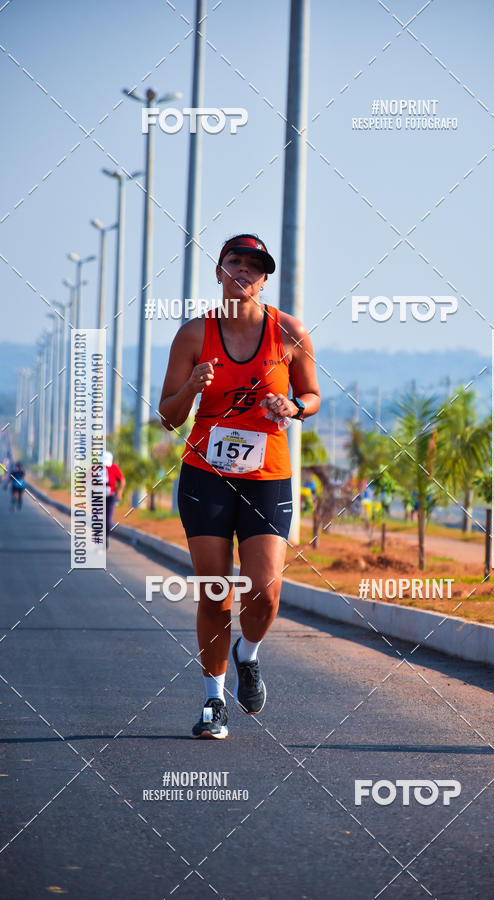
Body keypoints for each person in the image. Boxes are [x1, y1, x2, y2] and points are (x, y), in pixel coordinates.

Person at [159, 233, 321, 739]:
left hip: (267, 478)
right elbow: (168, 416)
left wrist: (294, 407)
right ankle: (214, 700)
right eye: (234, 262)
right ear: (219, 271)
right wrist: (193, 386)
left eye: (254, 266)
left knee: (265, 593)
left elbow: (313, 395)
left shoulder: (289, 332)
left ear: (265, 278)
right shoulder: (194, 334)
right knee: (216, 592)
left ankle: (247, 654)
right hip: (206, 476)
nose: (243, 272)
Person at [103, 450, 125, 548]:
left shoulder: (114, 468)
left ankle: (105, 537)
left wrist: (119, 492)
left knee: (108, 521)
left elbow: (122, 481)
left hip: (110, 498)